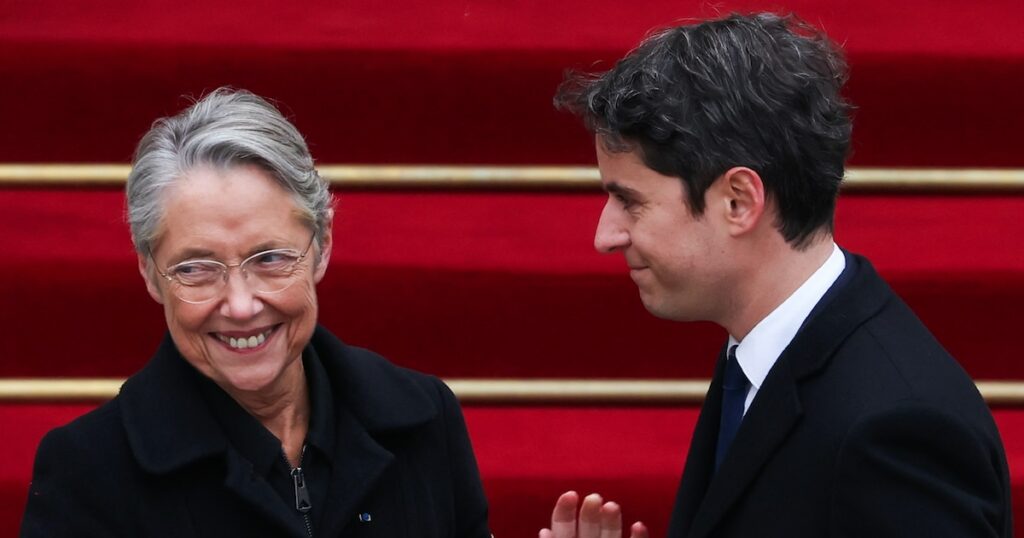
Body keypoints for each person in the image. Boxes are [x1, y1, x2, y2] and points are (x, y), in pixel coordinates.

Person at [541, 12, 1011, 538]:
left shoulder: (895, 430)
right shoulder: (763, 357)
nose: (605, 235)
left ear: (739, 201)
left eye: (630, 200)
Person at [21, 89, 491, 537]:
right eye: (197, 269)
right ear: (149, 272)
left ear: (322, 245)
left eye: (269, 259)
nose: (242, 305)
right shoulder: (87, 472)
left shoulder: (424, 417)